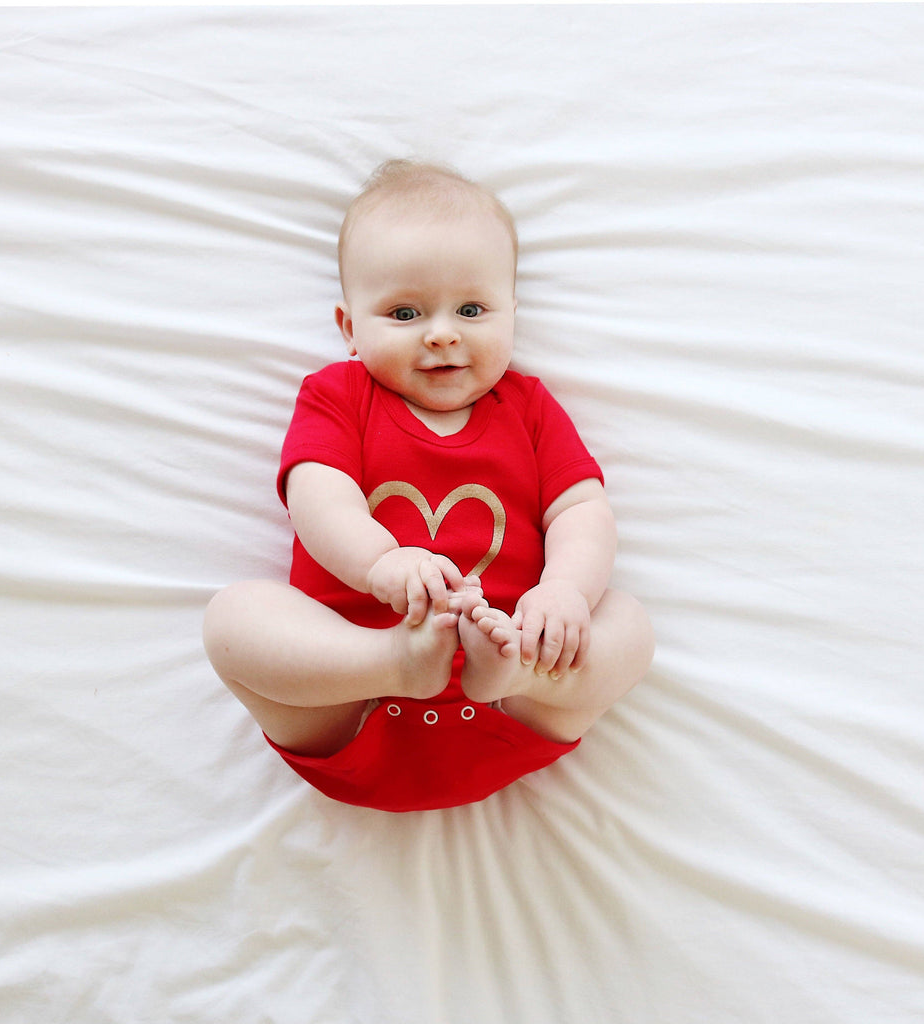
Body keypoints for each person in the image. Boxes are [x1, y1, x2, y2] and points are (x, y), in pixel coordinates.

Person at [203, 159, 654, 811]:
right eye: (405, 312)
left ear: (511, 313)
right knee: (234, 618)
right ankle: (396, 661)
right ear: (350, 328)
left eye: (471, 308)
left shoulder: (528, 408)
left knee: (629, 625)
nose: (442, 332)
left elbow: (582, 509)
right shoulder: (339, 396)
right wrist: (380, 562)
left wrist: (564, 593)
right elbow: (317, 492)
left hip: (513, 708)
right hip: (348, 707)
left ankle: (518, 667)